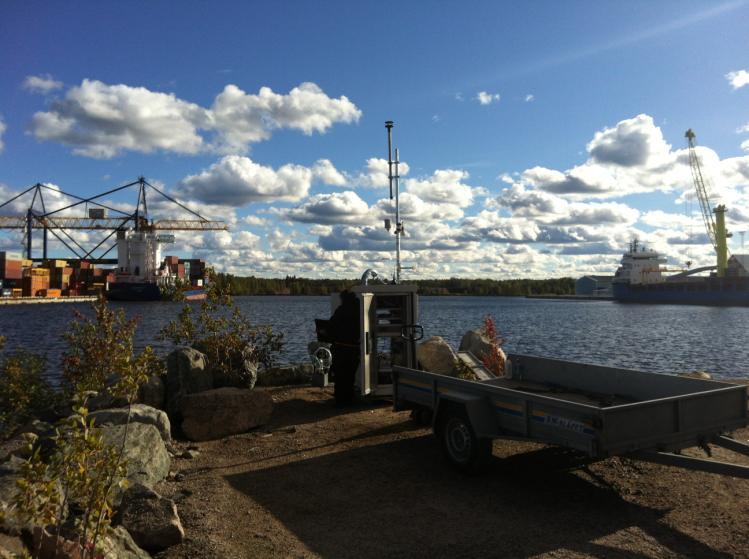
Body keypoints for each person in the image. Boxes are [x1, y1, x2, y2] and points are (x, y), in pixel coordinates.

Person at [329, 290, 360, 406]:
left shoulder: (340, 310)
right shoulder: (359, 309)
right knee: (350, 375)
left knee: (340, 375)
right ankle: (349, 399)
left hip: (340, 348)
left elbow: (331, 326)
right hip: (354, 348)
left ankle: (340, 400)